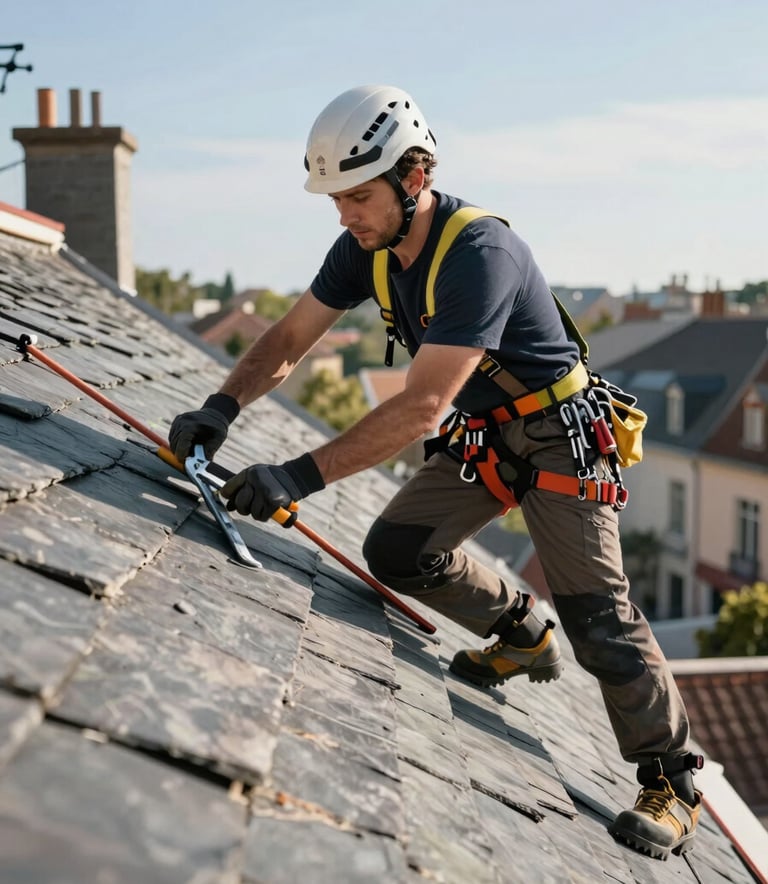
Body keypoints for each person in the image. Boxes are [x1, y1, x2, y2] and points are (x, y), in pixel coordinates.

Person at [169, 85, 702, 861]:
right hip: (489, 432)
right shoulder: (365, 249)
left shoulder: (481, 253)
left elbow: (421, 408)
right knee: (396, 553)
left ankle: (672, 780)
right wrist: (221, 406)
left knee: (597, 616)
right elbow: (289, 338)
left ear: (413, 177)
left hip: (558, 437)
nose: (345, 215)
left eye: (358, 196)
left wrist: (295, 475)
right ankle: (518, 632)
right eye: (336, 199)